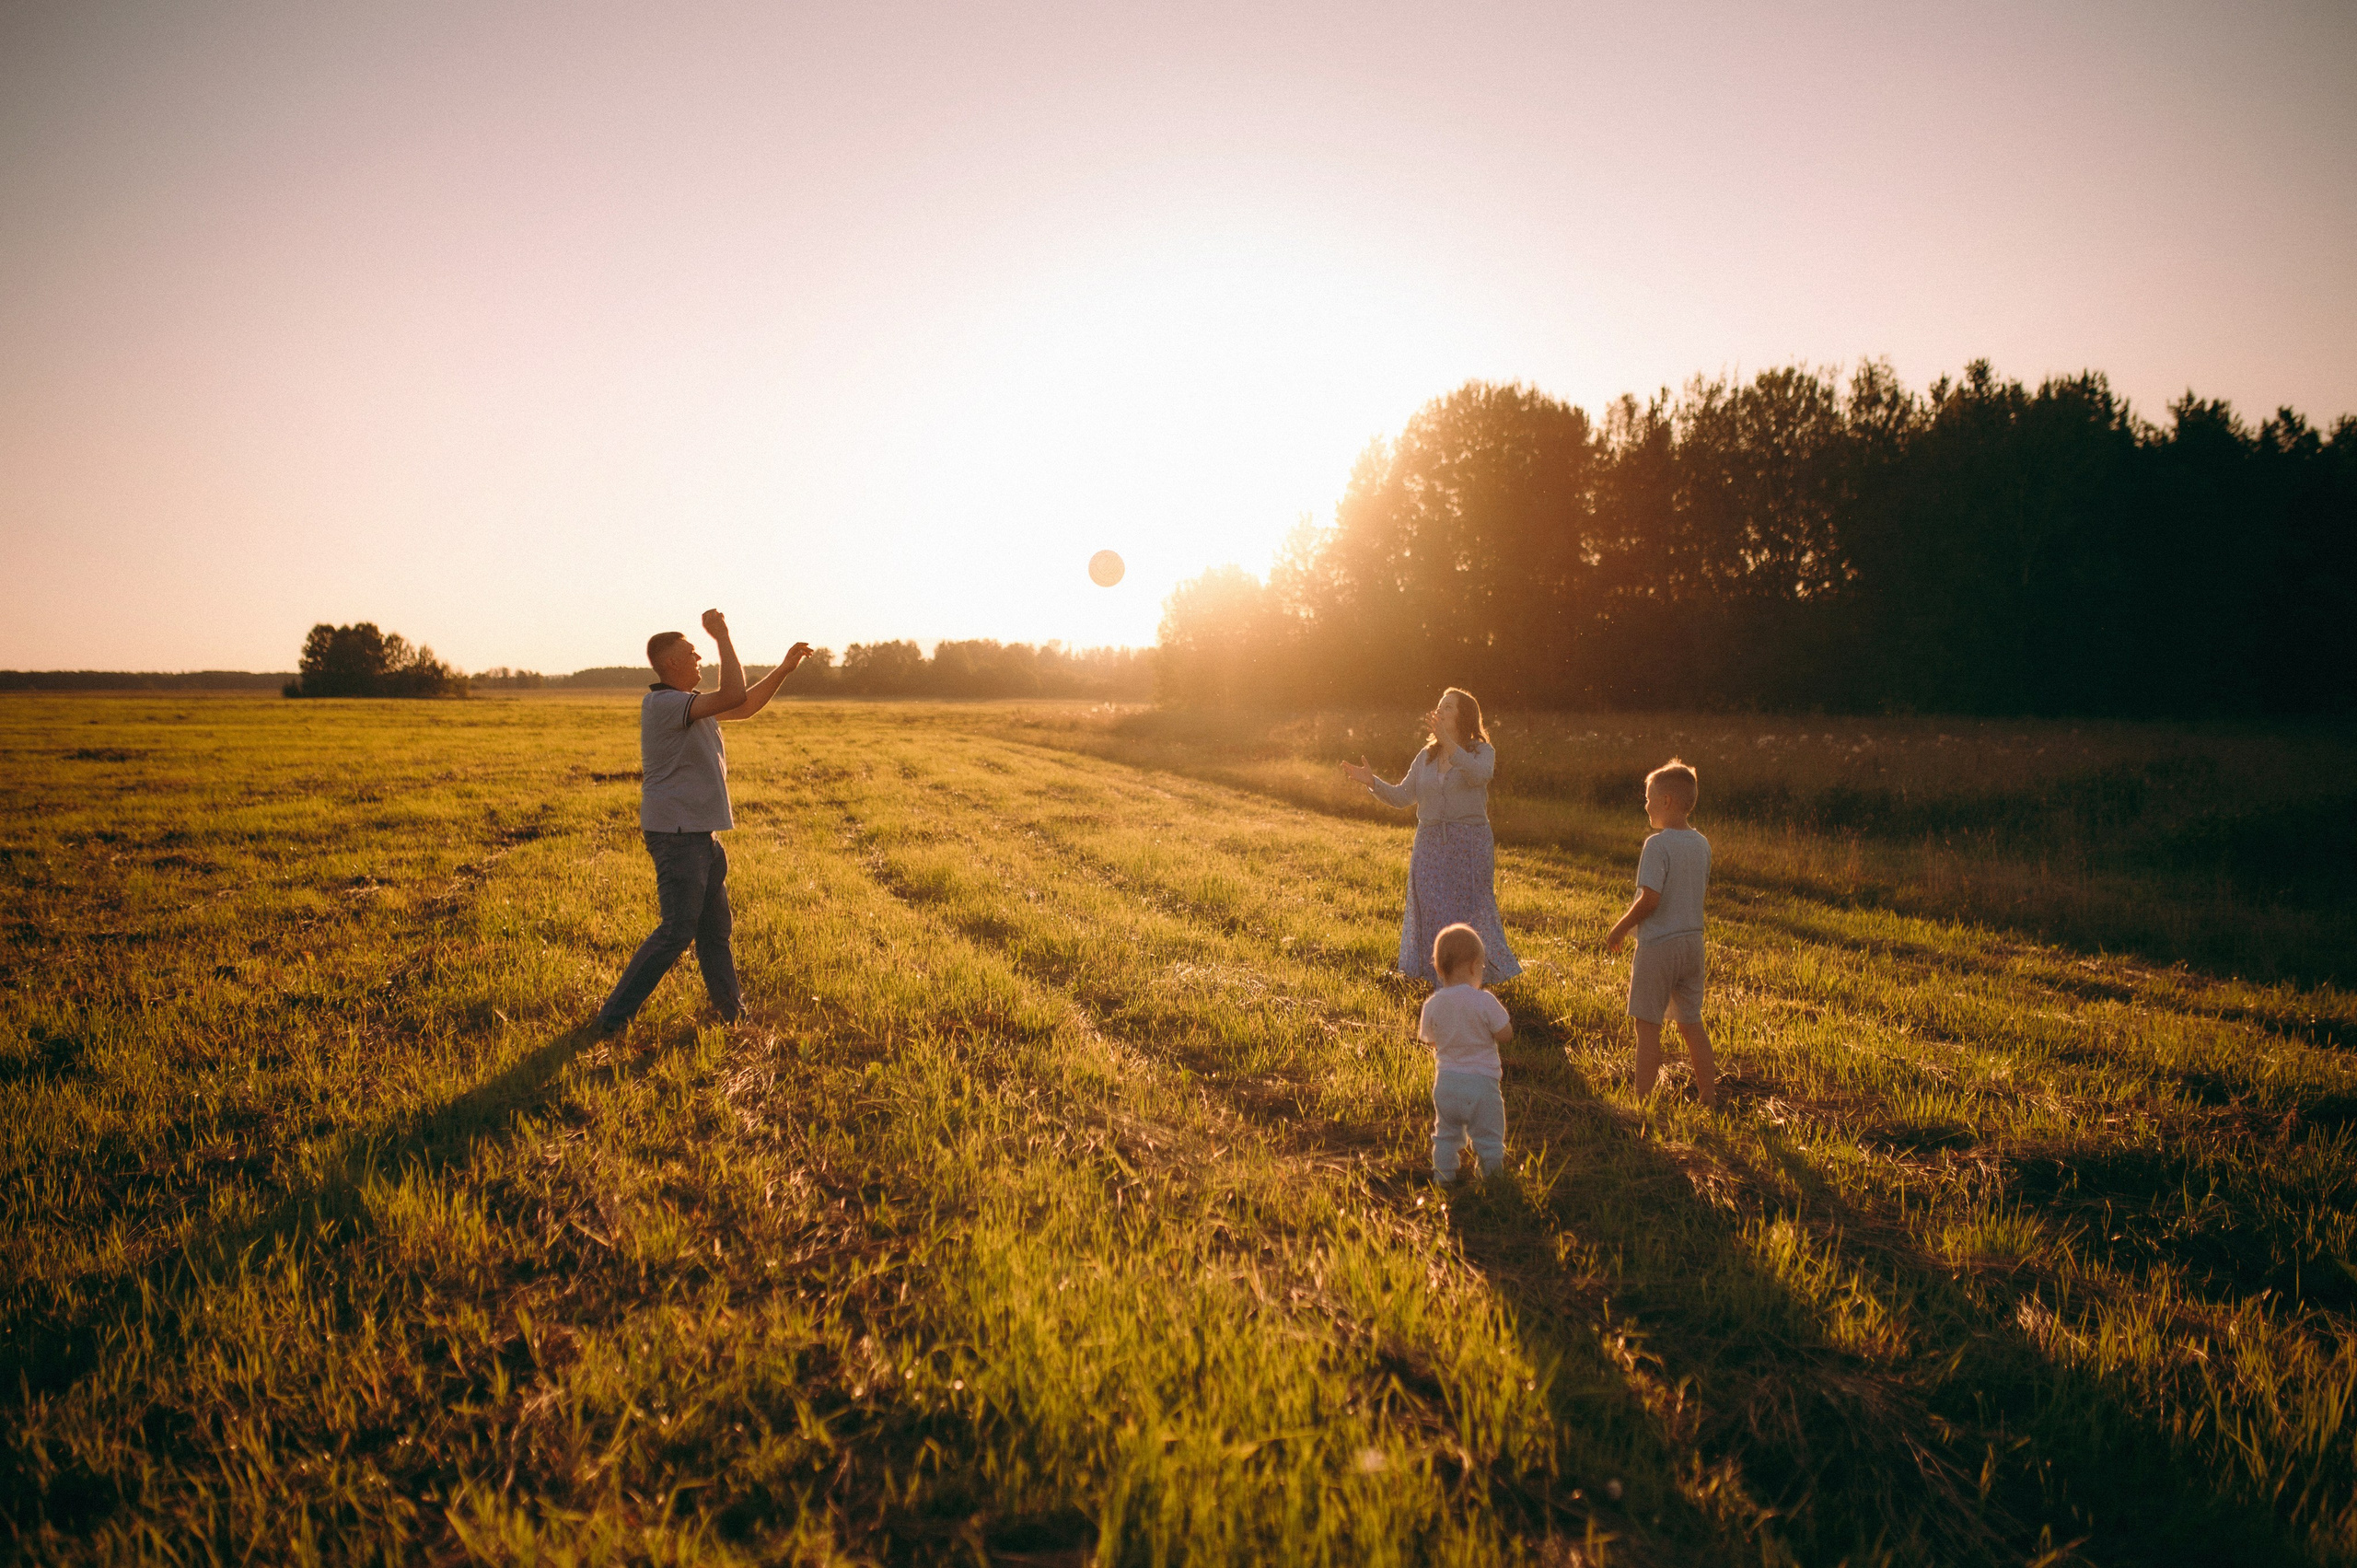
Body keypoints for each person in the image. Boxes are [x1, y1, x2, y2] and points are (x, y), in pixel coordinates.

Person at [594, 610, 813, 1034]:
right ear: (670, 663)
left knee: (715, 933)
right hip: (678, 838)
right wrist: (723, 636)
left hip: (700, 836)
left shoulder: (691, 706)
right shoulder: (666, 704)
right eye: (692, 654)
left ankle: (733, 1016)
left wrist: (784, 669)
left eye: (700, 651)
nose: (700, 658)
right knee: (677, 931)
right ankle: (612, 1019)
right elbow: (733, 693)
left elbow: (744, 704)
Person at [1339, 687, 1521, 985]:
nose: (1440, 711)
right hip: (1429, 843)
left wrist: (1450, 744)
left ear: (1464, 715)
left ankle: (1478, 977)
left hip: (1469, 844)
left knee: (1469, 912)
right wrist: (1372, 782)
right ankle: (1440, 979)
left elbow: (1479, 776)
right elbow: (1401, 797)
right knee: (1432, 908)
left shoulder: (1481, 752)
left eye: (1448, 707)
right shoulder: (1426, 756)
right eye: (1439, 706)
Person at [1604, 759, 1718, 1107]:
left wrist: (1620, 928)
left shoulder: (1657, 845)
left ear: (1667, 801)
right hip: (1692, 943)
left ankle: (1641, 1101)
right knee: (1691, 1024)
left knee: (1648, 1026)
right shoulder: (1702, 844)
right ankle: (1709, 1097)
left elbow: (1649, 899)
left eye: (1650, 798)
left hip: (1658, 947)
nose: (1646, 804)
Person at [1420, 923, 1515, 1184]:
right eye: (1482, 967)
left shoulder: (1433, 1004)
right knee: (1489, 1138)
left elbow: (1432, 1041)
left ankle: (1443, 1176)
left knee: (1446, 1135)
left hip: (1446, 1084)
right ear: (1474, 966)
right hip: (1482, 1085)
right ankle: (1491, 1179)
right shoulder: (1484, 1001)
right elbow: (1505, 1034)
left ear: (1439, 969)